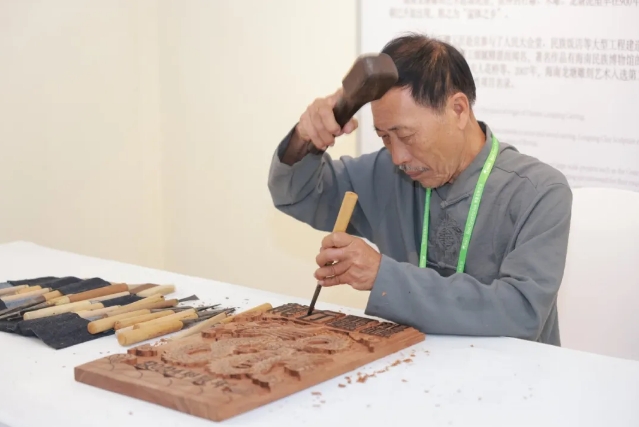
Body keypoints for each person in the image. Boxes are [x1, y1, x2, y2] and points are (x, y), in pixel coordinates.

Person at [267, 33, 572, 345]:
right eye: (385, 137)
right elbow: (299, 194)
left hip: (511, 373)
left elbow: (522, 313)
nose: (398, 157)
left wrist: (383, 276)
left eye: (407, 136)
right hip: (410, 366)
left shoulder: (539, 192)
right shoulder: (385, 174)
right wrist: (306, 137)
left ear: (458, 110)